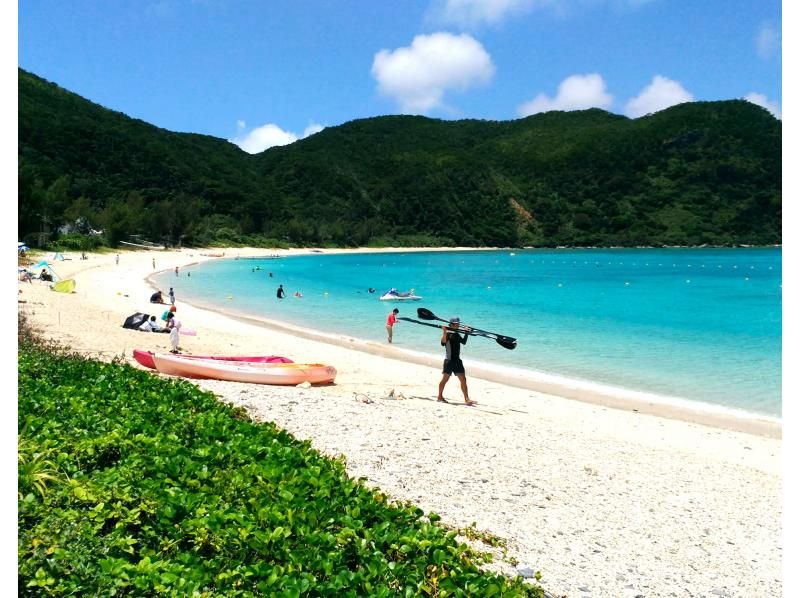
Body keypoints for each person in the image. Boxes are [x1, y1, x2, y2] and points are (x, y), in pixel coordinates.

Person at [437, 316, 476, 405]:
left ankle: (467, 399)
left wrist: (466, 333)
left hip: (457, 360)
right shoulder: (448, 333)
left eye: (458, 324)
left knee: (463, 379)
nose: (458, 325)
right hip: (449, 361)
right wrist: (444, 332)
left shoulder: (456, 333)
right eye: (456, 324)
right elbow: (443, 343)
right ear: (451, 324)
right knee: (445, 379)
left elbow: (463, 342)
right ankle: (439, 396)